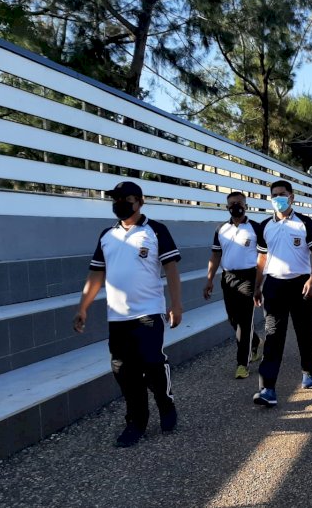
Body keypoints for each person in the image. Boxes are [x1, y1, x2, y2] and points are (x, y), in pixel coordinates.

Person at [73, 181, 182, 447]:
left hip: (148, 313)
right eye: (115, 199)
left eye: (125, 198)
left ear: (140, 201)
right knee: (123, 371)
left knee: (152, 362)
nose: (119, 202)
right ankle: (136, 422)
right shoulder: (107, 236)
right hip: (118, 317)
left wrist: (176, 304)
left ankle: (165, 404)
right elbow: (96, 274)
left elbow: (171, 270)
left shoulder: (156, 230)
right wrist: (83, 307)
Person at [253, 180, 312, 407]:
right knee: (273, 335)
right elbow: (262, 258)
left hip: (300, 284)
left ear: (292, 197)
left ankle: (308, 371)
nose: (278, 199)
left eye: (282, 194)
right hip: (274, 286)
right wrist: (257, 285)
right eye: (274, 195)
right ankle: (268, 388)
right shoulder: (265, 225)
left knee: (303, 331)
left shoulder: (304, 223)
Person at [204, 192, 263, 380]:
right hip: (228, 277)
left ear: (246, 205)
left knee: (244, 322)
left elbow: (264, 256)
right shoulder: (221, 229)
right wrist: (209, 279)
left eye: (238, 203)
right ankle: (255, 342)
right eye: (231, 204)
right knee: (233, 320)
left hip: (249, 277)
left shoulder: (256, 228)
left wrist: (259, 283)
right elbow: (215, 256)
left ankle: (242, 364)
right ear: (227, 206)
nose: (235, 206)